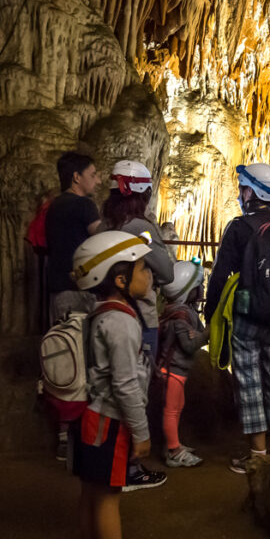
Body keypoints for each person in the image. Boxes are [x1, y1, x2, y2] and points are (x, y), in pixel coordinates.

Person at [67, 230, 160, 539]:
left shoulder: (102, 313)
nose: (148, 275)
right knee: (107, 498)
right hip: (108, 420)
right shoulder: (121, 322)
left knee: (91, 495)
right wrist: (140, 432)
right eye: (141, 268)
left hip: (90, 416)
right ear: (120, 280)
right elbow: (125, 385)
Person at [202, 162, 270, 475]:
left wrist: (210, 310)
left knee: (249, 381)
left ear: (250, 192)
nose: (239, 194)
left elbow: (220, 274)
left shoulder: (239, 227)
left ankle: (258, 454)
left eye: (242, 188)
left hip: (247, 314)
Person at [102, 160, 176, 362]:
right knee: (138, 381)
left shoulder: (103, 225)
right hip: (138, 315)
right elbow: (167, 273)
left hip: (103, 312)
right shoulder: (140, 228)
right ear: (142, 194)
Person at [157, 259, 207, 467]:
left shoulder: (180, 311)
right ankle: (175, 452)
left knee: (177, 406)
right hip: (173, 371)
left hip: (177, 370)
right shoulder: (181, 315)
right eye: (199, 286)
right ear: (189, 290)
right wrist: (208, 334)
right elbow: (188, 345)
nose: (202, 289)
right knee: (172, 409)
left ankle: (173, 444)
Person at [46, 151, 102, 321]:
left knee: (64, 343)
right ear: (76, 177)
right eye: (93, 175)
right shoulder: (84, 205)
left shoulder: (55, 205)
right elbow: (101, 239)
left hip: (58, 289)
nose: (98, 180)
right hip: (80, 290)